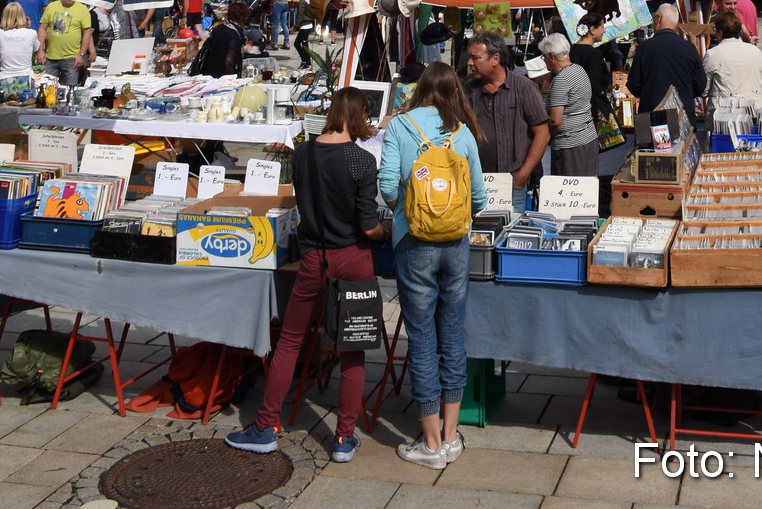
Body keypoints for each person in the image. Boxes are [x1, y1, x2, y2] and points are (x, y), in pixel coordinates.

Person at [226, 87, 386, 464]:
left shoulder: (304, 154)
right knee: (353, 348)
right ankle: (344, 438)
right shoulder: (362, 161)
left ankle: (265, 427)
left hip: (314, 255)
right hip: (353, 257)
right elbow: (367, 225)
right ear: (359, 115)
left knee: (291, 342)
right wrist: (388, 230)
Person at [379, 62, 486, 469]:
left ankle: (430, 443)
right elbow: (478, 198)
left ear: (420, 88)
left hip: (414, 240)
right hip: (456, 241)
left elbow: (387, 184)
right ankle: (451, 434)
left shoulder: (401, 126)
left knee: (422, 336)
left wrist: (403, 211)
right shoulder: (463, 131)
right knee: (452, 332)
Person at [463, 30, 550, 193]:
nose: (469, 62)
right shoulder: (468, 89)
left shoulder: (523, 88)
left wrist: (522, 176)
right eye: (470, 57)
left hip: (512, 184)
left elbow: (542, 134)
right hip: (476, 184)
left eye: (475, 58)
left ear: (495, 59)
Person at [626, 4, 707, 126]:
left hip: (652, 117)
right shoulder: (689, 48)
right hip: (683, 116)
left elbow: (633, 84)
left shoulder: (644, 48)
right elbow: (700, 84)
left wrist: (649, 94)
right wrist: (685, 93)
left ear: (658, 18)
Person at [540, 33, 599, 175]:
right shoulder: (578, 69)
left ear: (552, 56)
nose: (544, 60)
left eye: (544, 56)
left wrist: (544, 138)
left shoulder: (562, 79)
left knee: (568, 192)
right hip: (587, 139)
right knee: (585, 188)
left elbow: (555, 121)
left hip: (570, 145)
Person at [703, 13, 762, 113]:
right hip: (754, 108)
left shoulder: (713, 54)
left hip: (725, 113)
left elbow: (704, 89)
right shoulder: (755, 51)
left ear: (720, 32)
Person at [36, 0, 94, 86]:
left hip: (72, 58)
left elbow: (87, 32)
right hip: (50, 57)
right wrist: (40, 50)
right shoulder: (51, 6)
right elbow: (42, 29)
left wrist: (81, 54)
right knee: (47, 88)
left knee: (70, 90)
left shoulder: (82, 9)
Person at [191, 1, 248, 77]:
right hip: (221, 75)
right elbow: (229, 61)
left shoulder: (218, 28)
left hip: (208, 72)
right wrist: (230, 80)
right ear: (241, 17)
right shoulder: (234, 34)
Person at [0, 1, 41, 74]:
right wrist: (28, 28)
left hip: (6, 75)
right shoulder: (31, 33)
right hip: (25, 74)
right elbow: (36, 49)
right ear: (22, 16)